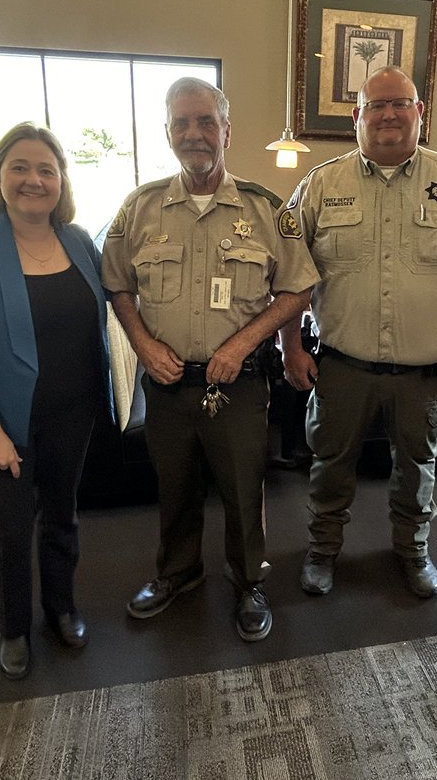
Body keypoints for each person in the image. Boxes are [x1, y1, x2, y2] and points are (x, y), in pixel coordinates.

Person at [280, 66, 437, 599]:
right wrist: (289, 346)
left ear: (419, 112)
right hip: (343, 366)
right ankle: (322, 550)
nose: (388, 114)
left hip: (424, 374)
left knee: (418, 468)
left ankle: (412, 551)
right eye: (376, 104)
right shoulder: (320, 184)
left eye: (400, 104)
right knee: (330, 466)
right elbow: (290, 274)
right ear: (357, 115)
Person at [101, 77, 318, 642]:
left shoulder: (268, 209)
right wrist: (144, 345)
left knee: (245, 489)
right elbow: (117, 286)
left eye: (204, 122)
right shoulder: (140, 207)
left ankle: (249, 582)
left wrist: (243, 342)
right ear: (168, 132)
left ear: (226, 131)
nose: (193, 134)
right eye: (181, 123)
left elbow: (299, 289)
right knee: (174, 486)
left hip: (239, 382)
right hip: (168, 383)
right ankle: (178, 572)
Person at [0, 122, 111, 680]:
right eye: (20, 168)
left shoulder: (79, 241)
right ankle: (13, 629)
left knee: (62, 517)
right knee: (9, 531)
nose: (34, 179)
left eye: (46, 170)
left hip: (71, 412)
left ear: (61, 181)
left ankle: (61, 608)